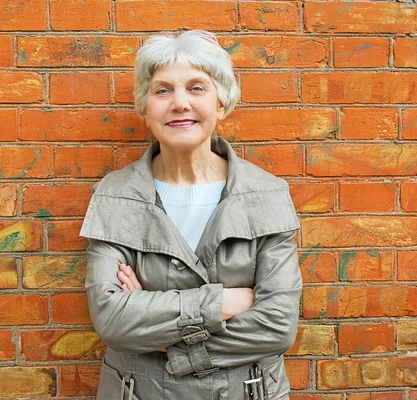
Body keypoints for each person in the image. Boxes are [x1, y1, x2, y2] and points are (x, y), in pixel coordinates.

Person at [80, 30, 302, 400]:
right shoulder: (116, 195)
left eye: (197, 88)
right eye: (162, 90)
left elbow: (278, 326)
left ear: (221, 103)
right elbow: (113, 320)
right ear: (145, 107)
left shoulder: (266, 193)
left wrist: (169, 342)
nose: (179, 103)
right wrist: (223, 304)